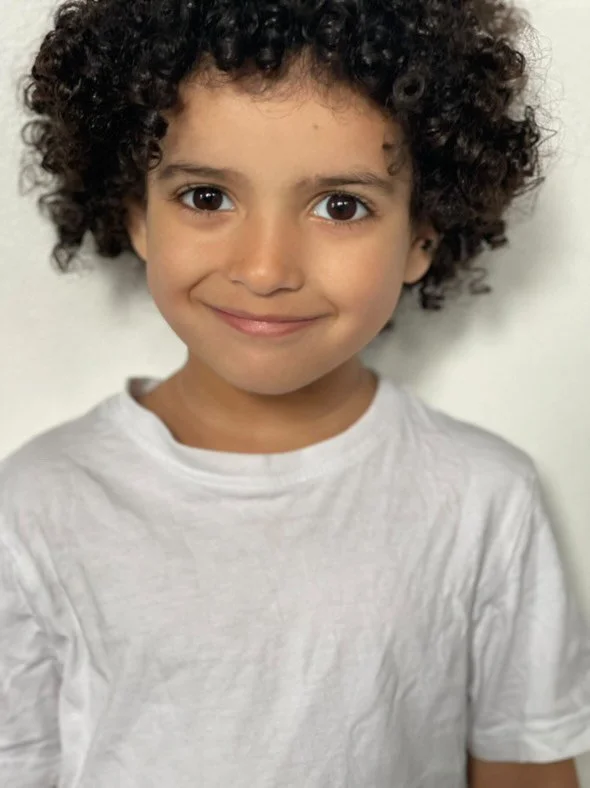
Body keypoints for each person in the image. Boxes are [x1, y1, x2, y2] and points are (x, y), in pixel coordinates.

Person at [2, 0, 590, 785]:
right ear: (136, 214)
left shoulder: (484, 499)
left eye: (341, 206)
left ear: (421, 235)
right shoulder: (38, 504)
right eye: (206, 197)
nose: (265, 268)